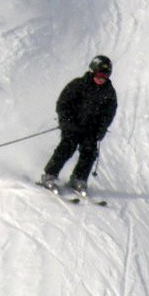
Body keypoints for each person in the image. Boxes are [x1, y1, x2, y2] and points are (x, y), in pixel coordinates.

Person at [39, 55, 118, 196]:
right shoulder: (79, 85)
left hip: (91, 128)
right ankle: (50, 174)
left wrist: (101, 129)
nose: (102, 79)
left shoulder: (109, 92)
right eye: (99, 75)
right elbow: (63, 103)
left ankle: (78, 178)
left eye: (105, 76)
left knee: (90, 151)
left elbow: (109, 113)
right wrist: (66, 120)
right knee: (67, 147)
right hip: (73, 124)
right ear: (93, 71)